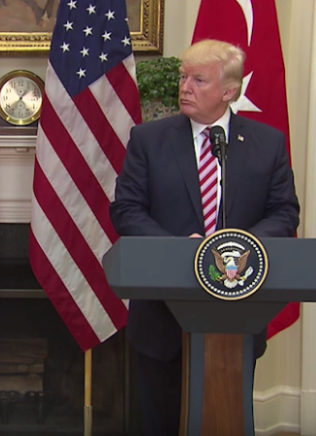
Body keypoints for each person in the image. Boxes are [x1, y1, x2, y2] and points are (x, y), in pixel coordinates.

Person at [109, 39, 299, 435]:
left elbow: (284, 213)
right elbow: (126, 211)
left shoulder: (267, 144)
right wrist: (178, 249)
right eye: (183, 77)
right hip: (161, 319)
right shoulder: (149, 140)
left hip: (236, 317)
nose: (185, 87)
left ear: (229, 91)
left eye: (198, 80)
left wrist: (238, 248)